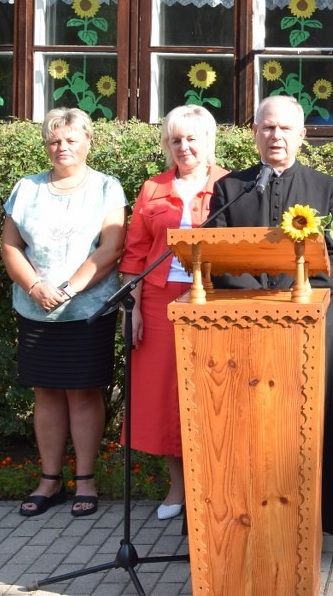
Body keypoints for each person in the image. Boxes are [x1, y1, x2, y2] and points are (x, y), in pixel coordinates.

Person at [207, 95, 333, 537]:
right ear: (254, 133)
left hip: (307, 323)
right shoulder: (230, 189)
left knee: (306, 421)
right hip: (243, 325)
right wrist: (260, 300)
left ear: (302, 135)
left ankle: (313, 521)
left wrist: (295, 300)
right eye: (268, 127)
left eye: (285, 128)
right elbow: (216, 254)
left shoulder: (326, 188)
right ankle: (244, 519)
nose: (276, 136)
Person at [1, 108, 126, 518]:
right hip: (35, 309)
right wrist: (35, 287)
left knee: (84, 392)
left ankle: (85, 480)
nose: (62, 147)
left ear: (89, 141)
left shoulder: (107, 188)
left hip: (87, 310)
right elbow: (10, 247)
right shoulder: (26, 188)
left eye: (72, 139)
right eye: (54, 140)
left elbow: (111, 249)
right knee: (46, 392)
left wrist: (70, 288)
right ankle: (50, 480)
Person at [119, 105, 229, 521]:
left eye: (191, 138)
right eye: (175, 139)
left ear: (208, 141)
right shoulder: (153, 188)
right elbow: (134, 253)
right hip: (158, 301)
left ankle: (215, 485)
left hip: (214, 298)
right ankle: (179, 488)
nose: (183, 147)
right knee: (168, 395)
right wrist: (131, 309)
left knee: (214, 390)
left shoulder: (230, 185)